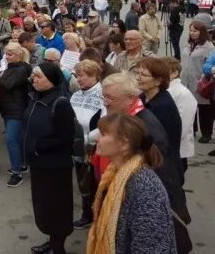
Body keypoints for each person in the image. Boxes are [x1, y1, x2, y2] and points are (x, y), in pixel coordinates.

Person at [100, 72, 191, 252]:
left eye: (110, 97)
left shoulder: (146, 130)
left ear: (130, 98)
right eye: (103, 96)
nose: (105, 102)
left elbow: (163, 179)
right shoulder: (130, 121)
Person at [87, 113, 177, 254]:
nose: (97, 138)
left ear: (124, 144)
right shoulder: (115, 173)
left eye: (103, 134)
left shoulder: (144, 187)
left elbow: (151, 247)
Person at [24, 63, 75, 254]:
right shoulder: (36, 97)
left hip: (55, 168)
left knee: (57, 209)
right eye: (33, 76)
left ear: (52, 80)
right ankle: (52, 240)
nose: (34, 79)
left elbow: (65, 139)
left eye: (39, 76)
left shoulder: (60, 104)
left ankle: (58, 247)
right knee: (44, 207)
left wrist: (38, 146)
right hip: (39, 165)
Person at [0, 42, 32, 187]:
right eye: (6, 54)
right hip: (9, 108)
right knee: (17, 139)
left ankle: (16, 172)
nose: (7, 57)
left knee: (11, 140)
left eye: (10, 54)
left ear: (19, 55)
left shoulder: (22, 69)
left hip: (16, 109)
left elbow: (7, 86)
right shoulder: (11, 67)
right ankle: (22, 164)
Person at [69, 60, 104, 230]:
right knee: (83, 182)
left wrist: (87, 138)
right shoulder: (75, 95)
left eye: (81, 76)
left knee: (96, 183)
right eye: (76, 75)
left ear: (94, 76)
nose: (77, 80)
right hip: (77, 147)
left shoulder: (102, 95)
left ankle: (99, 216)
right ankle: (87, 214)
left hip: (95, 148)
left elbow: (104, 125)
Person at [136, 58, 182, 155]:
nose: (138, 78)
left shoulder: (162, 107)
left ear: (158, 81)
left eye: (143, 75)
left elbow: (159, 142)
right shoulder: (143, 97)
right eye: (138, 73)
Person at [181, 20, 215, 143]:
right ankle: (192, 129)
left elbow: (210, 64)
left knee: (204, 109)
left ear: (202, 32)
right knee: (189, 108)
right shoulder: (188, 44)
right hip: (186, 82)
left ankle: (206, 133)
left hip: (201, 83)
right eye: (191, 30)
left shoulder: (208, 46)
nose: (192, 33)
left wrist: (203, 77)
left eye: (195, 31)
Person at [165, 57, 198, 174]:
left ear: (174, 73)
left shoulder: (183, 94)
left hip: (176, 151)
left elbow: (182, 127)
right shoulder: (166, 90)